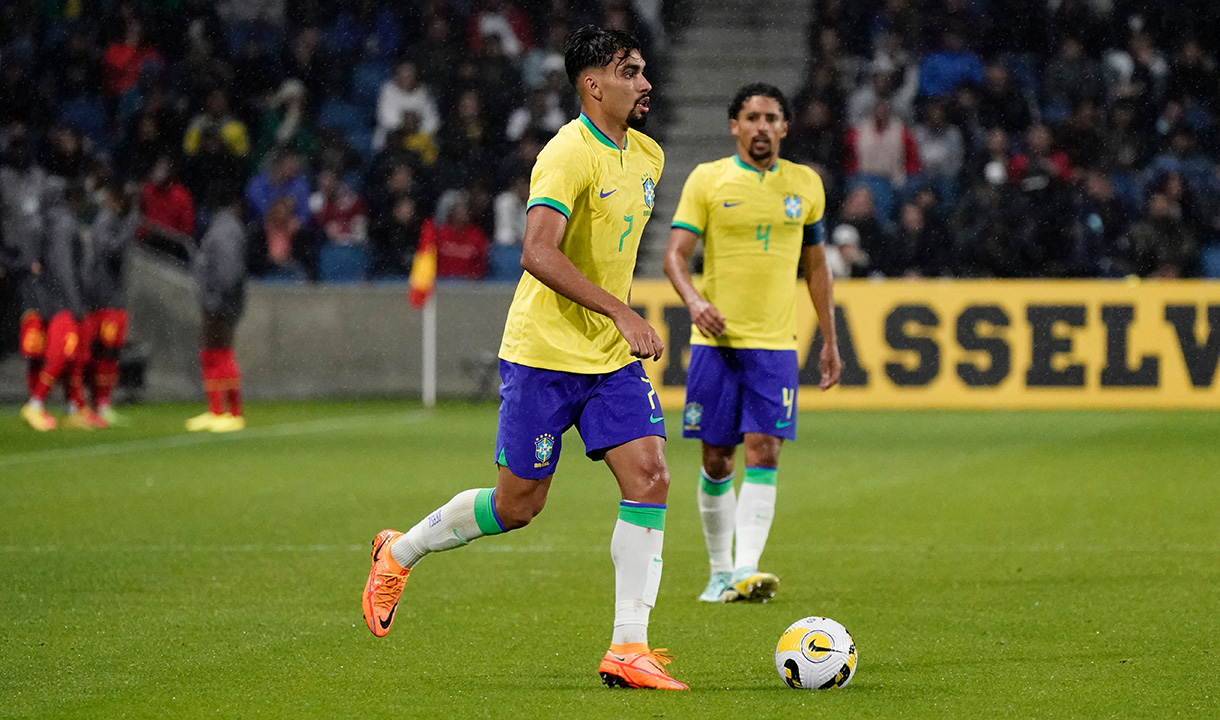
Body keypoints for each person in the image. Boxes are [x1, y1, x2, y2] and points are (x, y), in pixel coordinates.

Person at [361, 25, 686, 691]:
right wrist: (622, 309)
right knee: (518, 506)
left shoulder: (647, 155)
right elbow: (537, 252)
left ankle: (629, 647)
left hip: (607, 359)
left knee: (650, 478)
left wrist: (616, 319)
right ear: (594, 85)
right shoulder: (567, 153)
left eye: (644, 70)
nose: (645, 83)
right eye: (630, 71)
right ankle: (399, 552)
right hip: (543, 355)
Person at [663, 83, 842, 604]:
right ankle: (720, 572)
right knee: (717, 459)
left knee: (765, 451)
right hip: (716, 344)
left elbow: (816, 267)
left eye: (772, 118)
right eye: (752, 117)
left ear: (785, 127)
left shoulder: (806, 185)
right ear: (734, 126)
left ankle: (745, 569)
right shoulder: (708, 179)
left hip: (775, 347)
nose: (762, 126)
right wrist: (695, 304)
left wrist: (829, 341)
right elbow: (675, 255)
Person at [75, 184, 141, 427]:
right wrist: (130, 226)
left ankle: (100, 404)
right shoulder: (106, 221)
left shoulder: (111, 221)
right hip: (104, 301)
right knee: (102, 353)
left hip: (107, 299)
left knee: (107, 355)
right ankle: (94, 404)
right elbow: (110, 252)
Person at [185, 183, 248, 433]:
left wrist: (214, 299)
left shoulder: (223, 232)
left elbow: (228, 273)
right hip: (223, 302)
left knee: (217, 354)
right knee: (218, 353)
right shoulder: (228, 229)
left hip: (219, 304)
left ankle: (227, 412)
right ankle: (222, 411)